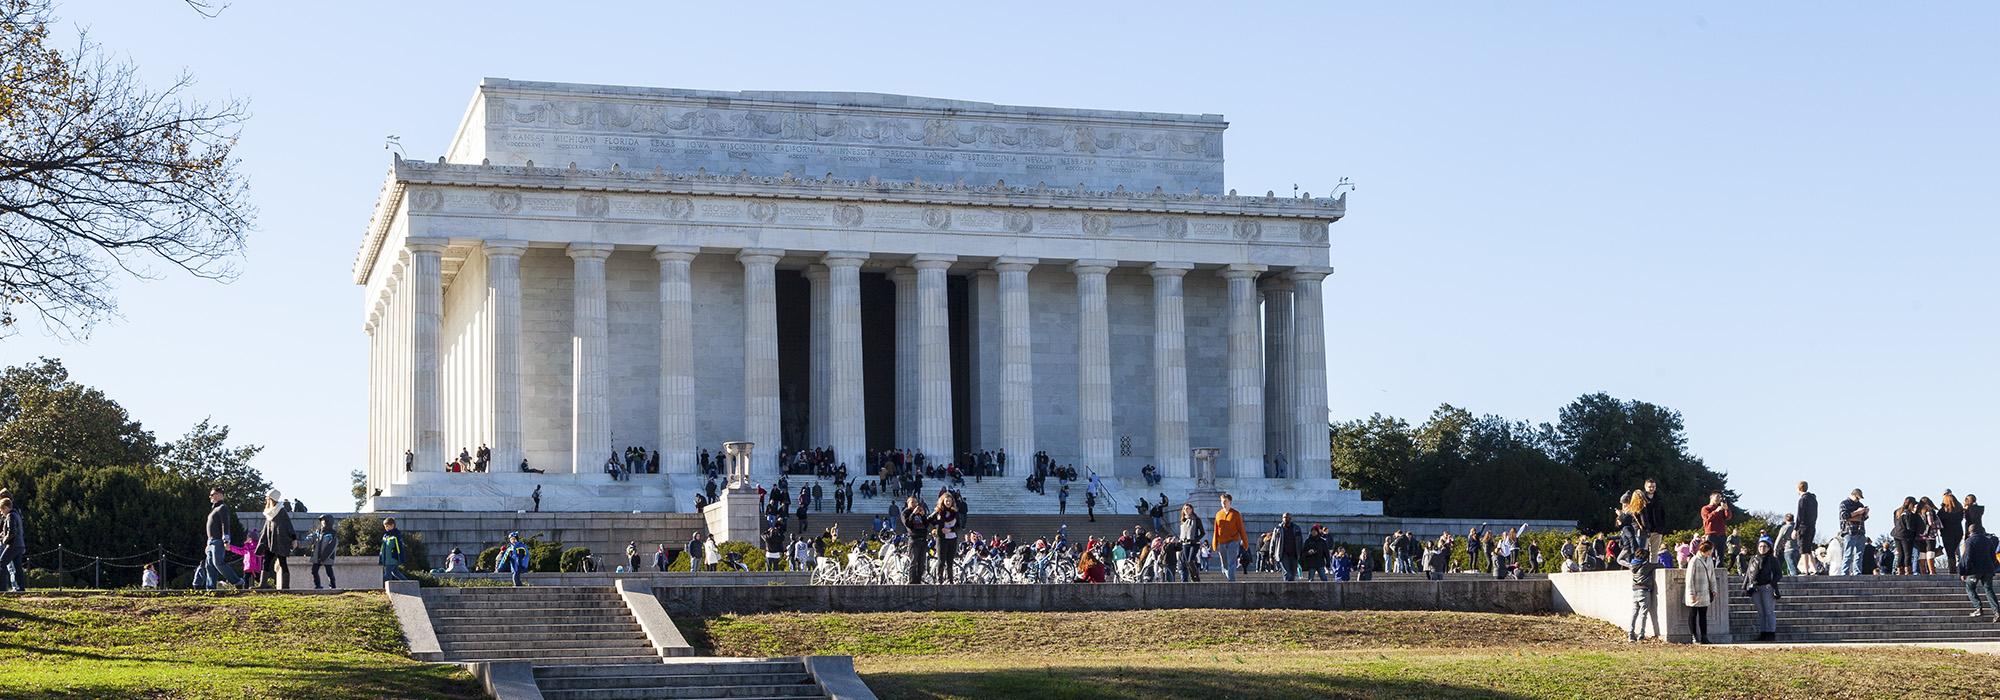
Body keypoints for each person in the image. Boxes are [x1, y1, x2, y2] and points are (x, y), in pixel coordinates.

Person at [201, 488, 245, 590]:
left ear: (220, 495)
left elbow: (225, 524)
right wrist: (208, 544)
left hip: (218, 541)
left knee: (218, 563)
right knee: (209, 566)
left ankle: (237, 581)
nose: (210, 497)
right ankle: (210, 588)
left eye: (212, 494)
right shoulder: (214, 509)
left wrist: (226, 540)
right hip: (211, 542)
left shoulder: (222, 507)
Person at [1744, 539, 1784, 641]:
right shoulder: (1753, 558)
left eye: (1765, 547)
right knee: (1761, 612)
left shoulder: (1772, 559)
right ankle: (1763, 633)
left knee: (1769, 611)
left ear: (1769, 548)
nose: (1762, 548)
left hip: (1767, 587)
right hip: (1755, 588)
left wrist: (1771, 584)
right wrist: (1745, 586)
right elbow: (1748, 573)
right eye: (1760, 546)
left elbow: (1779, 574)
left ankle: (1771, 633)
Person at [1623, 547, 1663, 642]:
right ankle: (1641, 634)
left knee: (1634, 613)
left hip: (1635, 591)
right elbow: (1660, 565)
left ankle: (1631, 633)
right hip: (1644, 591)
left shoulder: (1633, 565)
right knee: (1643, 614)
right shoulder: (1646, 565)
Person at [260, 489, 297, 590]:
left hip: (280, 541)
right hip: (270, 541)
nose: (266, 500)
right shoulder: (268, 512)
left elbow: (288, 525)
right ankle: (262, 584)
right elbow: (266, 528)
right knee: (266, 561)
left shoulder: (281, 511)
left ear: (271, 499)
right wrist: (262, 541)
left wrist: (294, 539)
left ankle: (285, 586)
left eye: (267, 498)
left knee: (282, 562)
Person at [1684, 540, 1720, 644]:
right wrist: (1691, 593)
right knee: (1693, 614)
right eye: (1709, 551)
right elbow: (1689, 577)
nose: (1710, 553)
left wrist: (1714, 589)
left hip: (1705, 591)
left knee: (1703, 615)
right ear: (1703, 551)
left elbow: (1712, 575)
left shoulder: (1709, 560)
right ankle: (1694, 636)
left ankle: (1704, 636)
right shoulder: (1694, 560)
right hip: (1695, 591)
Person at [1961, 523, 1999, 621]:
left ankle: (1978, 608)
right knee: (1989, 589)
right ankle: (1997, 612)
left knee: (1969, 587)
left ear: (1970, 532)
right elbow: (1993, 557)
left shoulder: (1969, 541)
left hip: (1974, 570)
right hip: (1988, 569)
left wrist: (1964, 572)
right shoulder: (1988, 540)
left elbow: (1967, 557)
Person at [1213, 493, 1247, 583]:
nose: (1223, 503)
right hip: (1222, 541)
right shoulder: (1218, 514)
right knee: (1224, 564)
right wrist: (1214, 543)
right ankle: (1229, 577)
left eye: (1225, 501)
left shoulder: (1235, 514)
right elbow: (1216, 530)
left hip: (1233, 541)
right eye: (1222, 501)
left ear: (1230, 502)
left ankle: (1231, 581)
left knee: (1232, 562)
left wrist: (1245, 542)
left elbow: (1241, 528)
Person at [931, 491, 961, 584]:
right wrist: (936, 528)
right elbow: (929, 520)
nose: (948, 503)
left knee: (950, 561)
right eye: (946, 501)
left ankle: (950, 579)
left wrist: (951, 530)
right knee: (941, 560)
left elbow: (959, 526)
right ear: (942, 501)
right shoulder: (939, 512)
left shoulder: (955, 513)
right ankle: (939, 579)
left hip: (952, 538)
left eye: (950, 501)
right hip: (942, 539)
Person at [1838, 489, 1870, 576]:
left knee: (1859, 555)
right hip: (1849, 532)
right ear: (1853, 495)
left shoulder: (1860, 505)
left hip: (1860, 531)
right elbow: (1844, 516)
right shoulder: (1844, 503)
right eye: (1857, 498)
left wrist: (1865, 513)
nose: (1858, 500)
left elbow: (1863, 518)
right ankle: (1844, 572)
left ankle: (1857, 572)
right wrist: (1857, 513)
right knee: (1848, 553)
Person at [1891, 496, 1923, 576]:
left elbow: (1895, 523)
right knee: (1907, 554)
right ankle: (1908, 571)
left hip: (1897, 534)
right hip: (1906, 536)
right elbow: (1909, 527)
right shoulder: (1909, 513)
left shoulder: (1897, 511)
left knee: (1901, 553)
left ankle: (1900, 570)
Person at [902, 496, 929, 585]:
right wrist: (913, 513)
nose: (914, 504)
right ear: (908, 503)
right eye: (912, 502)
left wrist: (923, 515)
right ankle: (912, 581)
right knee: (913, 561)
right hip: (914, 539)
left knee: (922, 562)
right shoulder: (905, 513)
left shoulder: (920, 513)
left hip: (923, 539)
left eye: (916, 502)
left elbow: (926, 524)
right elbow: (908, 524)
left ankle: (919, 580)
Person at [306, 515, 339, 589]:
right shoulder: (318, 533)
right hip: (317, 556)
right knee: (314, 571)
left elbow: (331, 547)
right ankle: (317, 585)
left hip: (327, 557)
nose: (323, 523)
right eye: (322, 521)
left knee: (329, 572)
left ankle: (332, 586)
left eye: (324, 521)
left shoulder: (332, 534)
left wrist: (323, 557)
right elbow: (308, 540)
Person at [0, 497, 24, 592]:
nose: (2, 513)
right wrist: (3, 534)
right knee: (18, 567)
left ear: (6, 507)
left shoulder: (10, 516)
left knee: (1, 563)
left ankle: (2, 588)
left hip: (13, 544)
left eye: (2, 510)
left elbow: (12, 532)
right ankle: (21, 588)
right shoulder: (17, 514)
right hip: (19, 544)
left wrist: (4, 540)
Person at [1795, 482, 1820, 575]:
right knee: (1808, 549)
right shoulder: (1813, 499)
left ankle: (1806, 570)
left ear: (1799, 488)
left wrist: (1795, 528)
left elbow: (1799, 515)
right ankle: (1814, 568)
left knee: (1803, 549)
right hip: (1812, 526)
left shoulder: (1803, 499)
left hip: (1803, 527)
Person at [1699, 492, 1732, 560]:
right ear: (1711, 497)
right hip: (1711, 534)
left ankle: (1719, 569)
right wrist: (1716, 511)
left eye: (1720, 497)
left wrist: (1726, 509)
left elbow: (1728, 517)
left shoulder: (1721, 509)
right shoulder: (1705, 508)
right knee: (1709, 553)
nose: (1719, 499)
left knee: (1721, 554)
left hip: (1721, 534)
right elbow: (1707, 518)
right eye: (1717, 496)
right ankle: (1709, 568)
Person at [1941, 491, 1967, 576]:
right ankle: (1957, 568)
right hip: (1958, 532)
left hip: (1947, 533)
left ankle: (1952, 569)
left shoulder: (1943, 512)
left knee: (1950, 552)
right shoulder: (1959, 510)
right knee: (1955, 551)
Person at [1178, 503, 1205, 582]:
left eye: (1188, 508)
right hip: (1185, 543)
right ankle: (1192, 577)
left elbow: (1203, 532)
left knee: (1190, 560)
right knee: (1187, 562)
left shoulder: (1196, 519)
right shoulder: (1183, 520)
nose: (1186, 510)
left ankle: (1196, 577)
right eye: (1185, 509)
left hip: (1194, 543)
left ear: (1191, 509)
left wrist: (1196, 539)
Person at [1641, 479, 1668, 556]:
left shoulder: (1659, 499)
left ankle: (1653, 566)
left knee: (1655, 553)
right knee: (1643, 552)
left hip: (1657, 530)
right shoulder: (1641, 499)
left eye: (1653, 487)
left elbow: (1663, 514)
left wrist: (1662, 527)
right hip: (1645, 530)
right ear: (1645, 487)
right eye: (1650, 487)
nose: (1652, 488)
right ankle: (1644, 567)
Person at [1274, 513, 1302, 581]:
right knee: (1287, 573)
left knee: (1293, 574)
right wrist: (1271, 554)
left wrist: (1301, 553)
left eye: (1287, 517)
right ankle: (1287, 590)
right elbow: (1273, 542)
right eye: (1284, 517)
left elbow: (1300, 541)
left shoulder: (1296, 528)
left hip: (1294, 554)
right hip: (1283, 554)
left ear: (1290, 518)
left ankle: (1291, 589)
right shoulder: (1278, 529)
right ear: (1282, 518)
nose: (1286, 519)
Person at [379, 517, 407, 581]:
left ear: (392, 525)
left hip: (392, 559)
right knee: (395, 572)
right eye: (385, 526)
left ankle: (381, 586)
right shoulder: (386, 535)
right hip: (387, 559)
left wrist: (401, 557)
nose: (385, 528)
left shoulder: (396, 535)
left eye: (387, 526)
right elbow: (383, 548)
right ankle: (408, 583)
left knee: (387, 575)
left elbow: (399, 547)